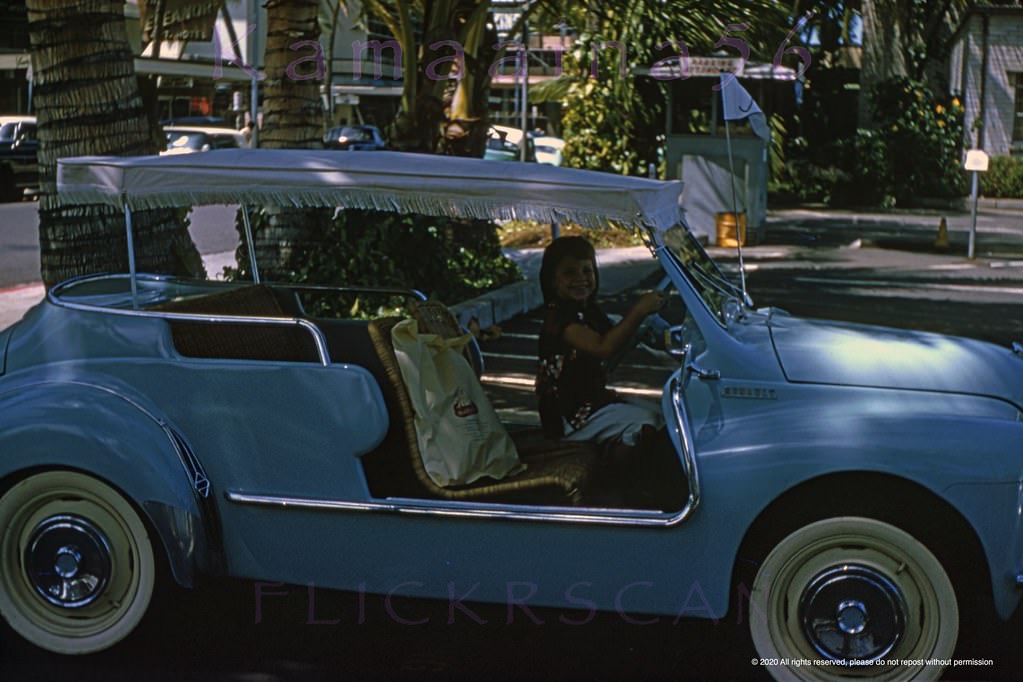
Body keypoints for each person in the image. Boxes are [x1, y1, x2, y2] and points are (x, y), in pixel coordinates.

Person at [535, 236, 667, 448]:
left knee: (663, 412)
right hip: (570, 417)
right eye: (569, 273)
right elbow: (603, 347)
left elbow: (613, 348)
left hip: (593, 403)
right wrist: (639, 310)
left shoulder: (588, 312)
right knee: (650, 423)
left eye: (587, 271)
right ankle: (623, 476)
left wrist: (638, 331)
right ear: (553, 281)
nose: (581, 279)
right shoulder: (559, 319)